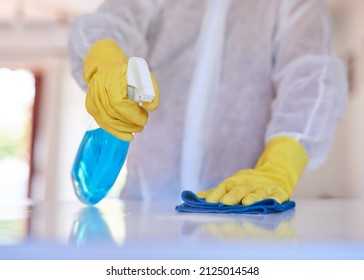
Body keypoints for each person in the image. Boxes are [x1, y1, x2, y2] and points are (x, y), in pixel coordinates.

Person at [68, 0, 348, 205]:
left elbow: (310, 81)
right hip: (144, 214)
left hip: (240, 216)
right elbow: (110, 22)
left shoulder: (294, 5)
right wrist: (104, 56)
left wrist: (279, 167)